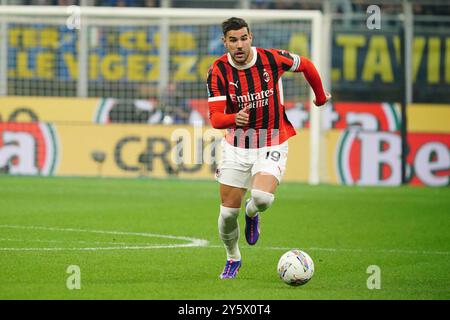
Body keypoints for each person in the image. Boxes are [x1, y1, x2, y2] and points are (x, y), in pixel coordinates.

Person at [206, 17, 331, 279]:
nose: (239, 45)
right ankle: (233, 258)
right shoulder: (217, 71)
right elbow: (216, 118)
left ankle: (253, 213)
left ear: (250, 37)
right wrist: (233, 118)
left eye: (243, 38)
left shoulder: (271, 59)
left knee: (262, 198)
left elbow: (306, 65)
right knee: (228, 215)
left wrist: (319, 96)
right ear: (224, 42)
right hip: (237, 146)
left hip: (272, 140)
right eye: (233, 40)